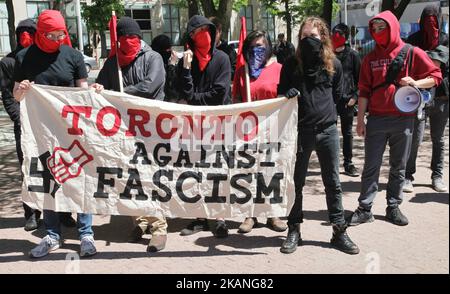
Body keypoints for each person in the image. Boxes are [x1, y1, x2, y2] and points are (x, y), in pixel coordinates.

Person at [13, 10, 99, 258]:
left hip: (72, 131)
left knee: (81, 179)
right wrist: (22, 90)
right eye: (52, 34)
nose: (57, 38)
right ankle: (52, 234)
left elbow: (82, 92)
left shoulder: (72, 56)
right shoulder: (24, 58)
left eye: (61, 33)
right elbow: (16, 95)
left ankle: (86, 233)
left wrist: (93, 90)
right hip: (43, 132)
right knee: (49, 181)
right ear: (40, 33)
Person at [348, 11, 442, 227]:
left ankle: (393, 206)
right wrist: (360, 120)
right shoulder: (369, 58)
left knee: (398, 166)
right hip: (377, 120)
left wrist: (415, 83)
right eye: (375, 28)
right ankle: (365, 208)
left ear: (393, 27)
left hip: (404, 119)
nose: (378, 32)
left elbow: (435, 77)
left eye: (382, 27)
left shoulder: (411, 52)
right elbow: (363, 91)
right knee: (371, 166)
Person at [277, 17, 359, 255]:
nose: (307, 41)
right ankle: (294, 229)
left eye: (312, 36)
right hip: (301, 132)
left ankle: (339, 231)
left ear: (322, 37)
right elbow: (280, 92)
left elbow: (337, 95)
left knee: (332, 182)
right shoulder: (291, 64)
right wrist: (287, 94)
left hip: (328, 131)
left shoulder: (334, 63)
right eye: (303, 37)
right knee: (297, 183)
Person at [95, 17, 168, 252]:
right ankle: (140, 221)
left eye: (133, 38)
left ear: (140, 38)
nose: (129, 42)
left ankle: (159, 229)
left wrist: (119, 93)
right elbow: (101, 87)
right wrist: (99, 89)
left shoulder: (152, 58)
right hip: (123, 130)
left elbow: (150, 87)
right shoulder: (112, 62)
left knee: (150, 177)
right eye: (124, 38)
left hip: (151, 129)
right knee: (129, 179)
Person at [1, 18, 78, 232]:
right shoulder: (13, 60)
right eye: (22, 32)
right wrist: (22, 117)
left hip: (56, 126)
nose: (25, 36)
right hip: (27, 125)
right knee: (32, 168)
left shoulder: (61, 57)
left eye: (30, 31)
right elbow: (9, 95)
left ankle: (64, 213)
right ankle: (31, 213)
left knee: (61, 168)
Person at [176, 15, 231, 238]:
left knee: (218, 171)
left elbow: (219, 94)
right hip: (193, 126)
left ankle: (219, 217)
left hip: (218, 125)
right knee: (195, 170)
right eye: (197, 33)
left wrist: (193, 98)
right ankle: (199, 216)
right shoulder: (185, 62)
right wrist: (187, 70)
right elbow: (183, 92)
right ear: (191, 38)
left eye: (206, 31)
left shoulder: (222, 59)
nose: (203, 36)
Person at [232, 30, 287, 233]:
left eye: (261, 46)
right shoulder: (241, 72)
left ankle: (273, 214)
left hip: (273, 130)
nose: (258, 51)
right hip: (249, 130)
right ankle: (250, 214)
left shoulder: (279, 69)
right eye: (253, 46)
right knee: (249, 172)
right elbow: (236, 100)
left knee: (271, 171)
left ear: (269, 47)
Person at [403, 4, 449, 193]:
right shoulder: (413, 40)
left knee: (438, 139)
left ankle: (437, 175)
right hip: (418, 97)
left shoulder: (446, 40)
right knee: (415, 139)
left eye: (434, 17)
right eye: (427, 18)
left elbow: (442, 66)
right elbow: (408, 62)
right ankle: (407, 175)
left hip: (441, 97)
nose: (430, 21)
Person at [331, 23, 361, 177]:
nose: (336, 37)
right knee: (330, 133)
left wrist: (355, 97)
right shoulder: (328, 55)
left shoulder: (353, 55)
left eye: (339, 34)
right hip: (331, 101)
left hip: (347, 101)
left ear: (345, 37)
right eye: (334, 33)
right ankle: (332, 163)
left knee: (347, 133)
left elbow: (360, 79)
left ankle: (348, 163)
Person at [151, 34, 180, 103]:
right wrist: (172, 66)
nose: (170, 51)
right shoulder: (154, 65)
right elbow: (169, 84)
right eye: (168, 49)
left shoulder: (165, 62)